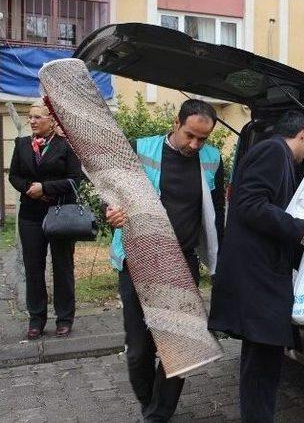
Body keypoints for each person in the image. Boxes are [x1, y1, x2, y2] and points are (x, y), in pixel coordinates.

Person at [105, 99, 225, 422]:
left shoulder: (211, 160)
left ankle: (159, 414)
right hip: (137, 260)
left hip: (181, 264)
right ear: (175, 122)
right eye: (190, 136)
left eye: (203, 139)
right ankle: (149, 403)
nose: (195, 145)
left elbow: (216, 217)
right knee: (139, 350)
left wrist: (219, 265)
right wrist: (112, 214)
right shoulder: (141, 149)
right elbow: (113, 197)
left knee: (180, 348)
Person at [209, 110, 304, 423]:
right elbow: (250, 206)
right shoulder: (274, 151)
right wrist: (302, 226)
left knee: (262, 356)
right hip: (257, 277)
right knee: (263, 359)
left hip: (260, 273)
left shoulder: (274, 153)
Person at [9, 99, 84, 340]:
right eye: (30, 117)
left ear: (52, 120)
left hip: (60, 215)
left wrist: (46, 188)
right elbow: (15, 176)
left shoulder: (66, 146)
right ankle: (36, 319)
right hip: (30, 217)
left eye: (37, 117)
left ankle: (64, 318)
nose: (32, 121)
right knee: (34, 268)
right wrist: (30, 187)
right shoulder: (21, 144)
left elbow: (75, 179)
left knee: (62, 267)